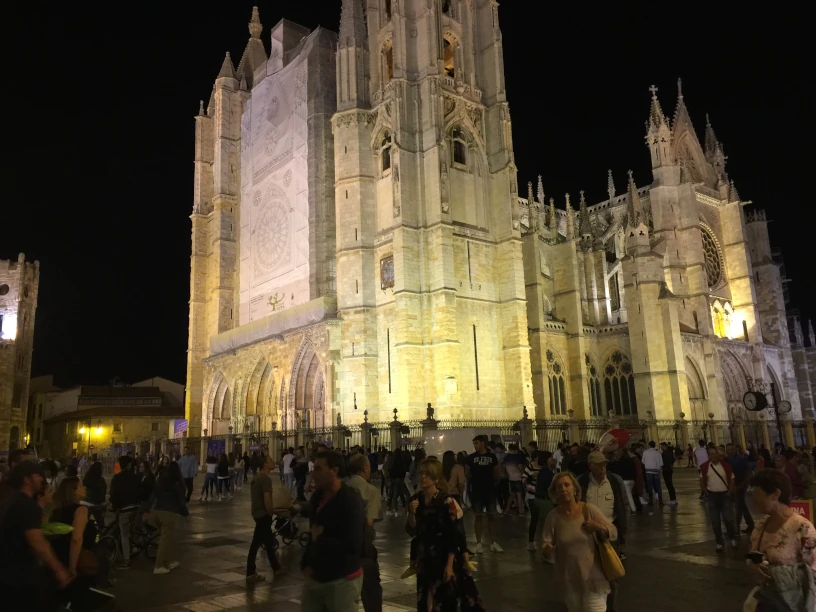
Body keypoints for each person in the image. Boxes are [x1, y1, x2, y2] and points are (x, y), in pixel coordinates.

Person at [406, 457, 482, 612]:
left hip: (443, 555)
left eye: (427, 474)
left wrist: (450, 564)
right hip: (424, 557)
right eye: (421, 474)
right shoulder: (416, 499)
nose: (423, 477)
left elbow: (454, 534)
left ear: (435, 478)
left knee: (444, 600)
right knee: (425, 599)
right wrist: (411, 513)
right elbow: (412, 530)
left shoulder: (446, 501)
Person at [541, 471, 618, 612]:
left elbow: (613, 532)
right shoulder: (552, 517)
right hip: (570, 581)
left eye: (567, 485)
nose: (563, 489)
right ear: (555, 492)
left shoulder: (588, 509)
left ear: (575, 489)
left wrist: (598, 527)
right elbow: (545, 543)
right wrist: (548, 549)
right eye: (559, 487)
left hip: (594, 580)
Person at [0, 461, 72, 609]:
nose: (42, 479)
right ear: (27, 479)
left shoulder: (9, 502)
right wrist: (58, 569)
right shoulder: (27, 506)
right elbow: (37, 541)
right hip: (21, 576)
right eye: (38, 475)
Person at [301, 451, 364, 612]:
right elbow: (312, 532)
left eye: (318, 469)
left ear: (334, 471)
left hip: (342, 580)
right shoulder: (318, 497)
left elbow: (353, 544)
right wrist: (306, 563)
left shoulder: (350, 500)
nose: (313, 473)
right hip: (316, 578)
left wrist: (320, 538)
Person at [747, 469, 816, 608]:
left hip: (793, 604)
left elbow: (813, 570)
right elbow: (752, 556)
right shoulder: (760, 525)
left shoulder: (802, 528)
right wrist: (752, 564)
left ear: (775, 494)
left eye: (757, 494)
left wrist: (779, 573)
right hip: (767, 601)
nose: (753, 499)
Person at [578, 452, 627, 612]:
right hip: (587, 535)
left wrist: (621, 531)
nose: (602, 468)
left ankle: (610, 608)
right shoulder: (582, 482)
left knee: (612, 574)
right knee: (586, 574)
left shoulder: (614, 481)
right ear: (590, 466)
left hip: (608, 535)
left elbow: (623, 505)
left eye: (604, 465)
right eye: (598, 465)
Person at [49, 476, 100, 609]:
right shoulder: (81, 510)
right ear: (74, 491)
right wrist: (72, 567)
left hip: (59, 556)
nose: (85, 488)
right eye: (81, 485)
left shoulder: (56, 511)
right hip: (77, 559)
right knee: (80, 599)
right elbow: (76, 539)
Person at [346, 454, 383, 612]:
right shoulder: (370, 490)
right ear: (365, 468)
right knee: (371, 594)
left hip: (340, 549)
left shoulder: (342, 486)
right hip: (361, 549)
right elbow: (369, 522)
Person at [245, 454, 288, 584]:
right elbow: (267, 498)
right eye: (270, 460)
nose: (273, 462)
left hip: (257, 513)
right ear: (265, 464)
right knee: (257, 544)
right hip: (263, 514)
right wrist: (271, 512)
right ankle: (251, 572)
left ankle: (276, 568)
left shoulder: (256, 477)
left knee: (267, 542)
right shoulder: (265, 479)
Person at [147, 462, 187, 575]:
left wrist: (146, 510)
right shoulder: (177, 484)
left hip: (156, 512)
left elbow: (153, 496)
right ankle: (158, 566)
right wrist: (184, 513)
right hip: (168, 514)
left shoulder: (161, 481)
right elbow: (181, 501)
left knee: (167, 538)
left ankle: (168, 562)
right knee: (165, 540)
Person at [466, 435, 503, 554]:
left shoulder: (491, 457)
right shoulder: (471, 457)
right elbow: (467, 472)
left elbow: (497, 472)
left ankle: (493, 542)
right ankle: (478, 543)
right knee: (478, 516)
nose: (475, 445)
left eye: (476, 443)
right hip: (477, 491)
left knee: (491, 516)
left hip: (489, 490)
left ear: (482, 443)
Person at [700, 446, 737, 552]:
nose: (713, 456)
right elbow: (702, 480)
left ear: (718, 455)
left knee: (728, 519)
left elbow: (732, 479)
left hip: (724, 495)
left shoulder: (726, 466)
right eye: (711, 454)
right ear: (709, 456)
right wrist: (706, 492)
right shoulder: (705, 467)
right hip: (712, 496)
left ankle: (732, 537)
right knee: (715, 522)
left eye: (715, 453)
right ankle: (719, 543)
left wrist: (729, 492)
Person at [109, 455, 141, 569]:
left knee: (124, 534)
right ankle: (134, 549)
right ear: (129, 465)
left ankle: (126, 560)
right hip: (135, 507)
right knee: (133, 530)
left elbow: (114, 494)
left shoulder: (116, 478)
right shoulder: (136, 477)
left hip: (124, 509)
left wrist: (115, 506)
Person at [725, 442, 755, 534]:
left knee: (738, 508)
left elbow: (746, 473)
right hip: (731, 486)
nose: (730, 451)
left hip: (739, 486)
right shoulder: (726, 460)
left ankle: (735, 528)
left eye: (732, 449)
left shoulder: (741, 460)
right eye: (728, 449)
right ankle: (750, 525)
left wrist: (742, 485)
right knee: (741, 506)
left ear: (736, 450)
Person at [523, 450, 541, 550]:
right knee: (534, 518)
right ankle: (531, 541)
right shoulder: (530, 467)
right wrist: (531, 476)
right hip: (531, 495)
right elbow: (523, 480)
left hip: (541, 495)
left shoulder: (544, 467)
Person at [503, 443, 526, 515]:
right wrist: (523, 474)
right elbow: (520, 467)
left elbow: (504, 468)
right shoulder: (518, 457)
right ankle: (520, 510)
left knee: (512, 494)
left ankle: (507, 510)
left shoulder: (506, 457)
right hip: (518, 477)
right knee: (519, 494)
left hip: (510, 478)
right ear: (516, 450)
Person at [641, 441, 664, 509]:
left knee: (649, 486)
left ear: (649, 445)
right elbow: (661, 463)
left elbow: (643, 461)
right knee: (658, 486)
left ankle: (651, 501)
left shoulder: (645, 452)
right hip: (656, 471)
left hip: (648, 471)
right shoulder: (658, 453)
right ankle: (660, 500)